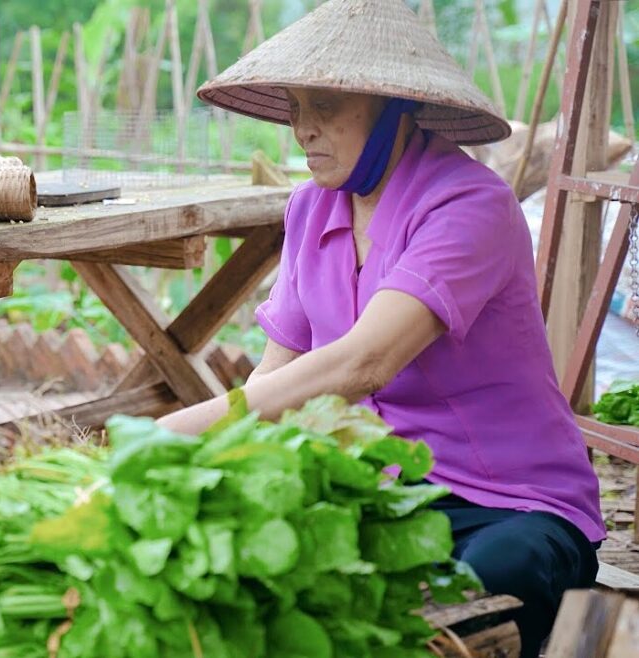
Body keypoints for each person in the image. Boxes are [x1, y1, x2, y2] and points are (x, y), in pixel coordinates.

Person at [161, 1, 604, 655]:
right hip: (378, 493)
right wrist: (199, 464)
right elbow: (275, 376)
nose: (303, 130)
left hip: (508, 502)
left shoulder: (469, 204)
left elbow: (363, 363)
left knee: (489, 581)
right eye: (295, 108)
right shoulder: (312, 208)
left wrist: (166, 433)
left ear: (395, 105)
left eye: (325, 106)